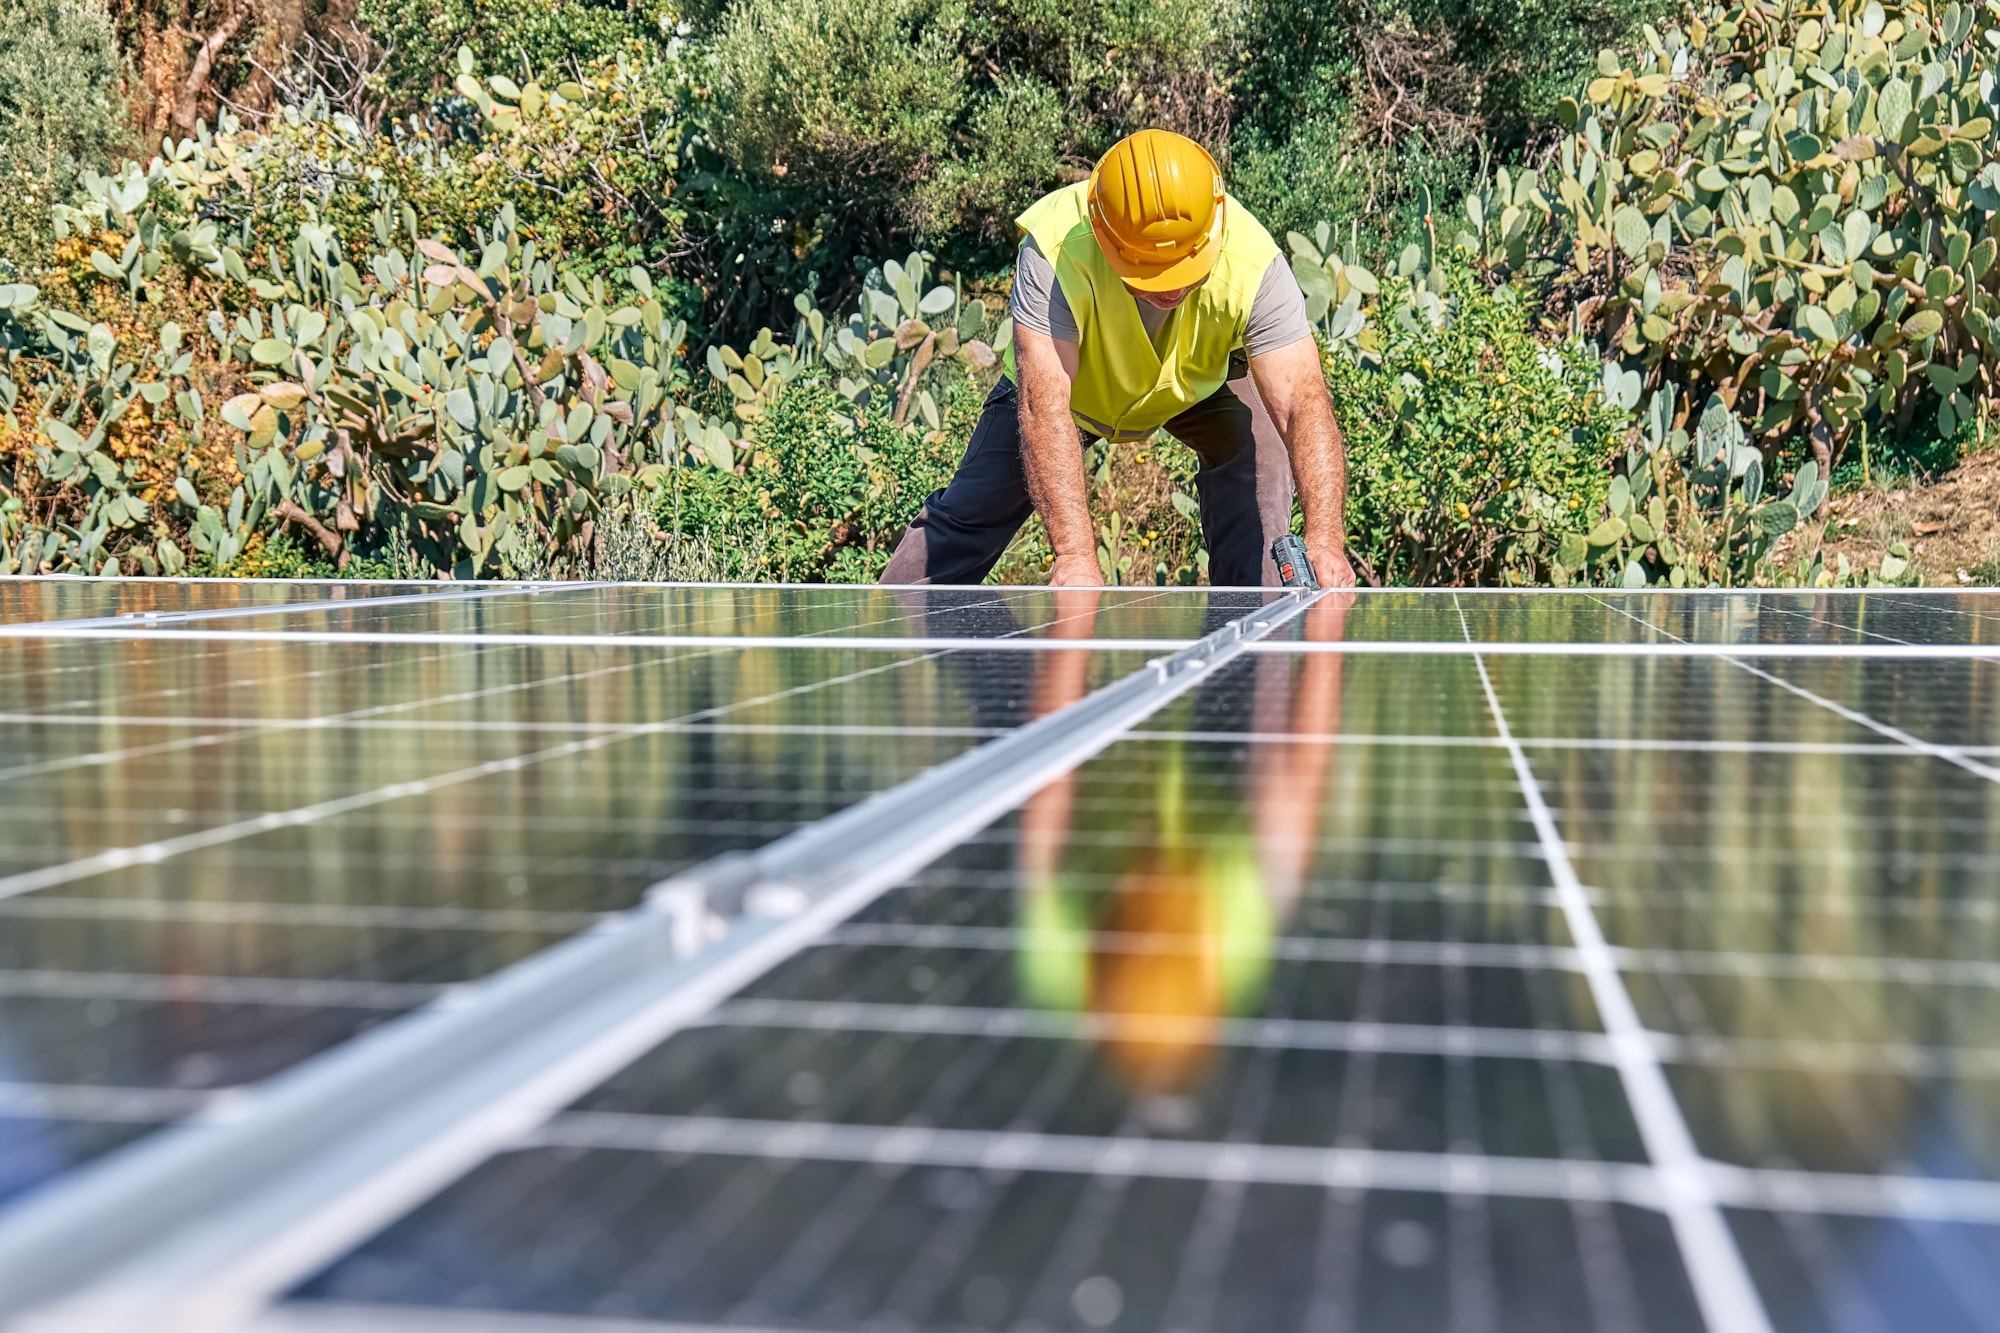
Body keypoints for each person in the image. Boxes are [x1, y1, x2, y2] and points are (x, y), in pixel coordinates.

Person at [880, 128, 1356, 589]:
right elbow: (1045, 406)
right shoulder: (1055, 247)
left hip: (1194, 387)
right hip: (1071, 394)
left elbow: (1301, 401)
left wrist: (1327, 540)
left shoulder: (1254, 263)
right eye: (1149, 270)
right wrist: (1075, 556)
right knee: (970, 513)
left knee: (1257, 456)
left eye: (1184, 268)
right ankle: (885, 638)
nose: (1170, 284)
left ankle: (1257, 635)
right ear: (1106, 237)